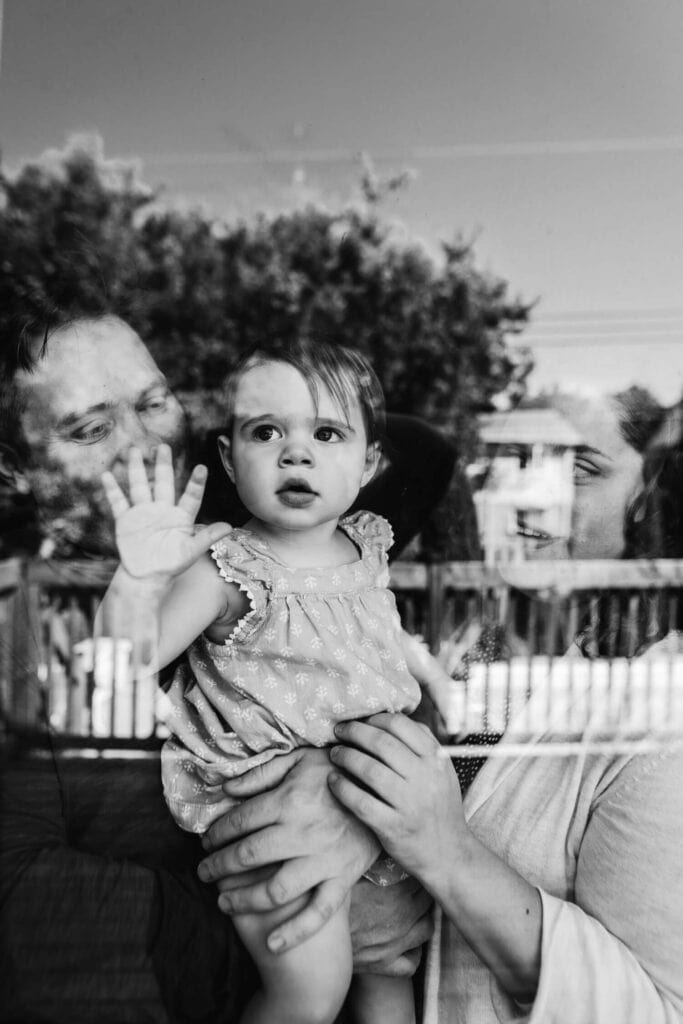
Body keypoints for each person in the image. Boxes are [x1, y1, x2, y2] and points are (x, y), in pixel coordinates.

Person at [1, 307, 450, 1022]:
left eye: (154, 404)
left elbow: (422, 448)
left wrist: (362, 804)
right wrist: (294, 910)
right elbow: (30, 911)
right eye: (90, 429)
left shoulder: (288, 525)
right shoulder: (24, 628)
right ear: (13, 465)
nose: (144, 443)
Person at [197, 386, 683, 1023]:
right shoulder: (449, 640)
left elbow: (656, 1009)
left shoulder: (662, 712)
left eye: (580, 468)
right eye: (511, 460)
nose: (529, 495)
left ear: (647, 495)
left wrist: (442, 852)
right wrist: (345, 808)